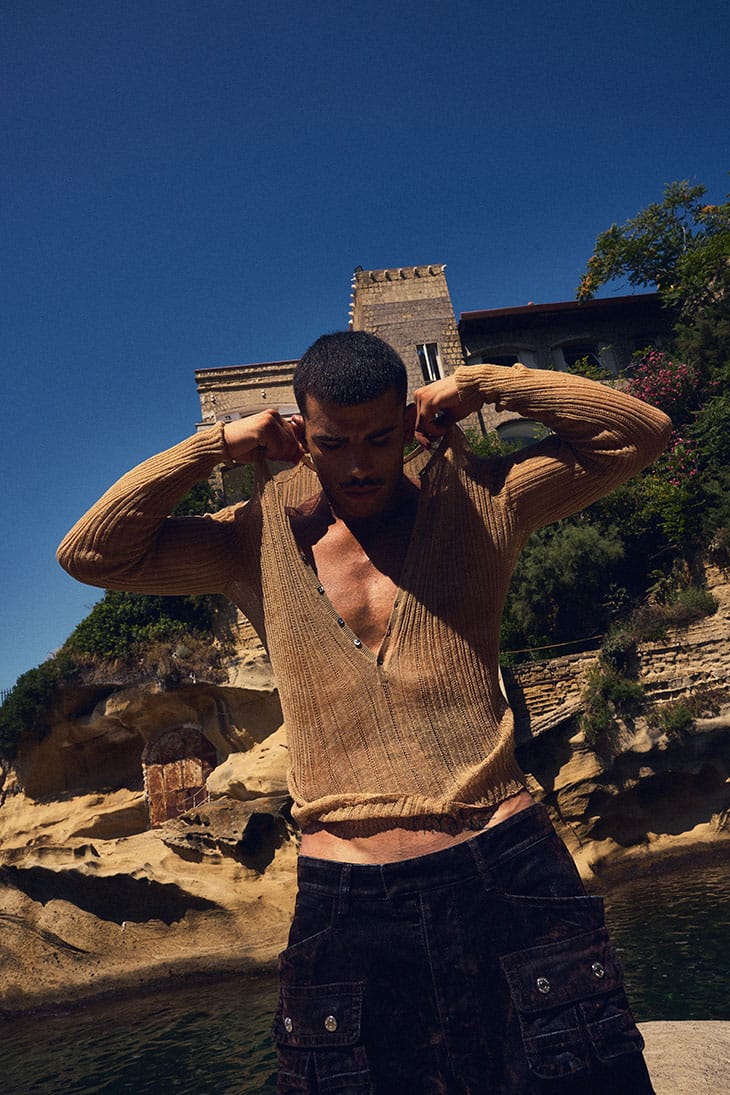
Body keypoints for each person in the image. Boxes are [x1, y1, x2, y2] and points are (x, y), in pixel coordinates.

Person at [58, 330, 671, 1093]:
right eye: (334, 442)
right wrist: (215, 446)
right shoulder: (252, 539)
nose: (358, 463)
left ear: (410, 421)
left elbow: (641, 434)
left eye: (380, 437)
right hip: (348, 905)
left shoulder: (483, 499)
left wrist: (483, 383)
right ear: (301, 436)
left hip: (507, 869)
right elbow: (91, 553)